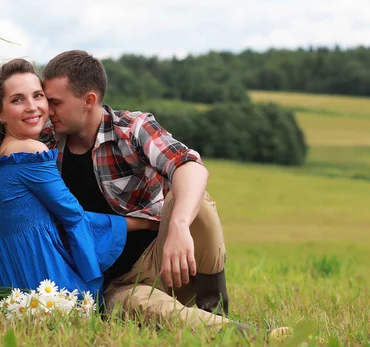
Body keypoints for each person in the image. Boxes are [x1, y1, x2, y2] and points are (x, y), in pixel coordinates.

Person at [40, 50, 235, 330]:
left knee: (197, 202)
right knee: (157, 313)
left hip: (164, 255)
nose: (48, 111)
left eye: (55, 103)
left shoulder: (132, 129)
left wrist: (179, 226)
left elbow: (190, 166)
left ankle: (213, 304)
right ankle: (248, 335)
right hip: (117, 283)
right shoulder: (45, 143)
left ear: (89, 101)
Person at [0, 59, 157, 298]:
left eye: (38, 96)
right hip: (44, 281)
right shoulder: (31, 151)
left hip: (7, 285)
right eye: (17, 99)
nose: (32, 107)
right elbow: (74, 217)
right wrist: (145, 223)